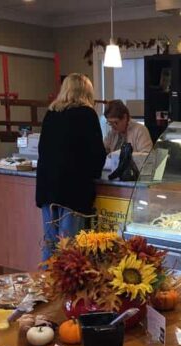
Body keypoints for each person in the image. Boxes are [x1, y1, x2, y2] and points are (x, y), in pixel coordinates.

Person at [36, 73, 106, 261]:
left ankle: (46, 285)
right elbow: (97, 154)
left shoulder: (51, 113)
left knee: (50, 244)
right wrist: (95, 174)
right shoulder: (87, 114)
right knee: (69, 247)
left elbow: (42, 149)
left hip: (47, 188)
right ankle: (65, 288)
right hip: (73, 189)